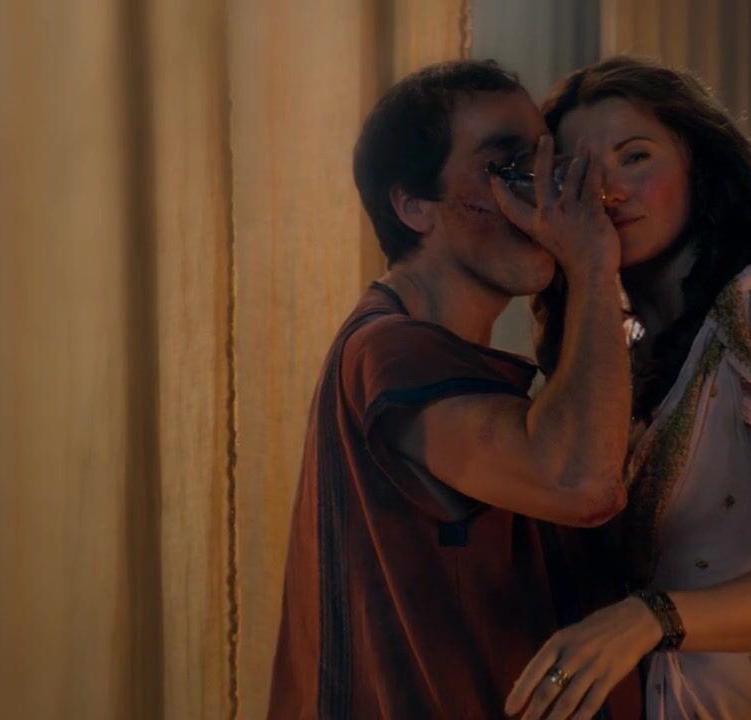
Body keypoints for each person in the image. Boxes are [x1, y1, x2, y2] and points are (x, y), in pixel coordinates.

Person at [267, 59, 642, 719]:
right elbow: (582, 484)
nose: (541, 193)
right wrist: (591, 263)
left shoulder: (431, 353)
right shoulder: (389, 350)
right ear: (414, 206)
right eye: (506, 165)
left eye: (545, 161)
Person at [502, 56, 751, 720]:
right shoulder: (620, 346)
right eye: (579, 170)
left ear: (698, 166)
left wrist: (646, 619)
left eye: (635, 156)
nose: (609, 190)